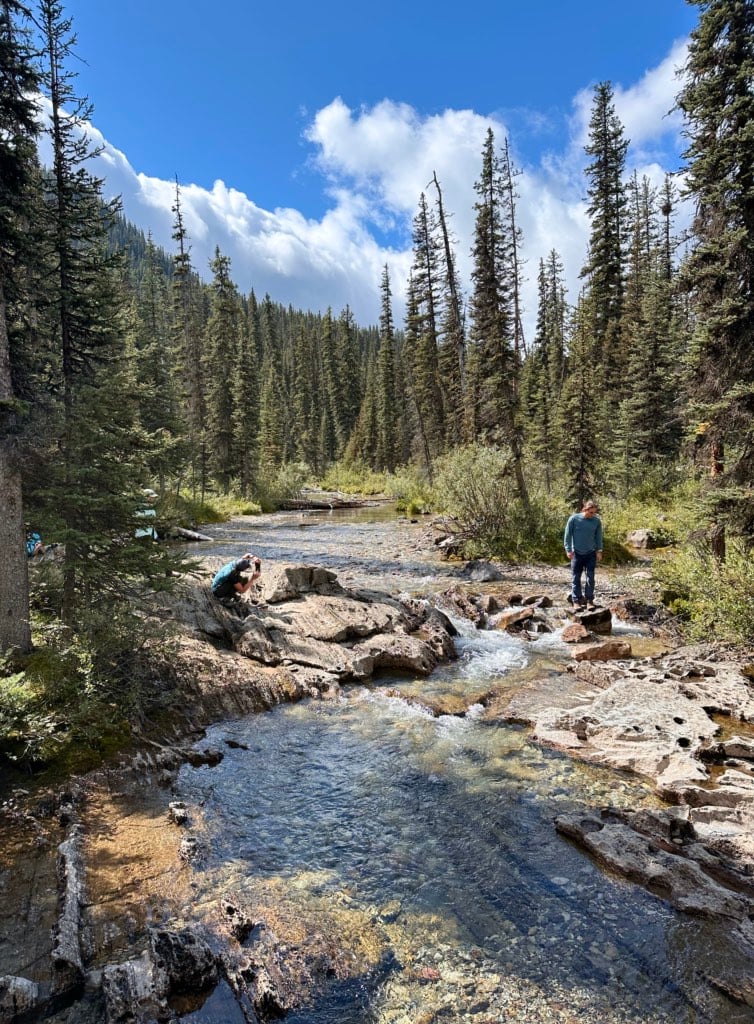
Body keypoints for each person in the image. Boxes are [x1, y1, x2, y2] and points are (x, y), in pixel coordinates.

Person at [564, 500, 603, 611]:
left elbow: (598, 537)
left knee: (590, 578)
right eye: (591, 512)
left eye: (594, 513)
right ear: (584, 509)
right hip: (576, 553)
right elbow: (567, 535)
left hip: (591, 553)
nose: (593, 515)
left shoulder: (596, 521)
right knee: (576, 577)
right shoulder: (574, 519)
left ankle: (589, 601)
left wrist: (599, 550)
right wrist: (568, 550)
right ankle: (576, 601)